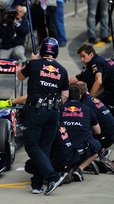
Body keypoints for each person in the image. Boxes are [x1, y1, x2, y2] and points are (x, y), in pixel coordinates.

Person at [18, 37, 69, 196]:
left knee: (31, 145)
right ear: (56, 52)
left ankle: (53, 176)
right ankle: (37, 184)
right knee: (44, 148)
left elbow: (20, 76)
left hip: (36, 110)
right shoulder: (62, 70)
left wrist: (31, 62)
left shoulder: (34, 64)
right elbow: (65, 96)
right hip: (53, 112)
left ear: (41, 50)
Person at [74, 44, 114, 120]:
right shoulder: (100, 60)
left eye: (83, 56)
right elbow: (101, 88)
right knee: (103, 105)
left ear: (91, 54)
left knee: (107, 114)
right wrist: (93, 98)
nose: (82, 59)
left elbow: (98, 81)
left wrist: (88, 99)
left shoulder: (96, 62)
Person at [75, 81, 114, 152]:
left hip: (106, 137)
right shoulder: (92, 98)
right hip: (113, 131)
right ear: (87, 89)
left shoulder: (85, 104)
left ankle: (101, 152)